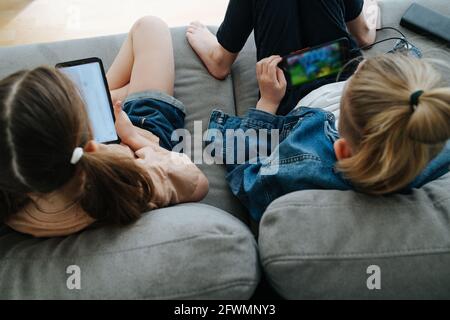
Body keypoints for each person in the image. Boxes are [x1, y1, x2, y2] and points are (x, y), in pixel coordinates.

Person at [0, 16, 209, 238]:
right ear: (92, 147)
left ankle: (108, 97)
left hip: (102, 145)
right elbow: (197, 181)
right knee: (149, 26)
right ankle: (106, 98)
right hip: (140, 129)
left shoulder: (12, 207)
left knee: (111, 95)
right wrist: (133, 138)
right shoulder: (129, 183)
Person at [207, 54, 450, 221]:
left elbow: (250, 182)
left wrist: (267, 103)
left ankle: (221, 54)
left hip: (296, 95)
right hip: (354, 96)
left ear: (343, 151)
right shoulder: (429, 143)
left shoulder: (306, 162)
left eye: (350, 83)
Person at [187, 0, 378, 115]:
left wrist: (268, 104)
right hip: (345, 74)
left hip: (291, 91)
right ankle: (362, 31)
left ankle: (221, 57)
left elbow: (252, 165)